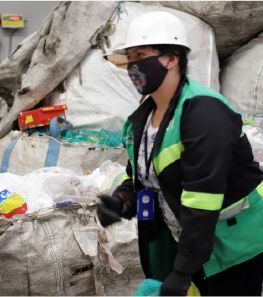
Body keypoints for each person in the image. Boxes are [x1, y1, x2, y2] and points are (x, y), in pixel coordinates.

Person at [97, 11, 263, 297]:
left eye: (141, 55)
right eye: (131, 57)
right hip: (195, 243)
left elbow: (203, 198)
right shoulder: (144, 118)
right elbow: (142, 175)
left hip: (236, 244)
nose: (134, 65)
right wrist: (123, 200)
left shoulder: (204, 113)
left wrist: (183, 271)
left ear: (172, 59)